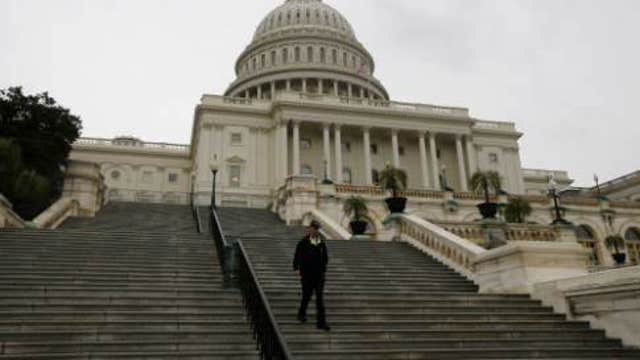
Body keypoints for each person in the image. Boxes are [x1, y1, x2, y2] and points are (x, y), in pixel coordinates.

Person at [293, 220, 330, 331]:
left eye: (317, 229)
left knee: (319, 298)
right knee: (306, 296)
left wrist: (323, 268)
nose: (315, 230)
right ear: (310, 229)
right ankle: (301, 313)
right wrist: (296, 268)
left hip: (319, 275)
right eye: (313, 228)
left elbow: (325, 257)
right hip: (307, 275)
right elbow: (297, 256)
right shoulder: (303, 242)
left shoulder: (321, 242)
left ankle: (321, 322)